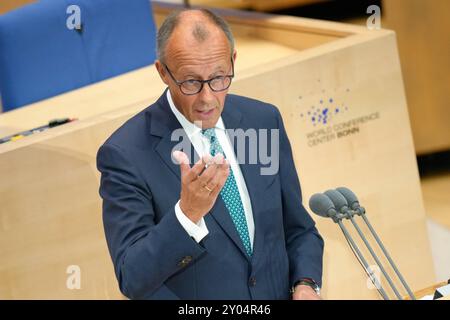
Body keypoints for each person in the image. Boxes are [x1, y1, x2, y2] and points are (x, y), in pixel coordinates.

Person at [97, 8, 324, 300]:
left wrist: (306, 284)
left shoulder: (264, 120)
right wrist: (187, 214)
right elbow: (133, 278)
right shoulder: (125, 155)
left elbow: (299, 229)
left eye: (219, 78)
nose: (207, 98)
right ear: (163, 72)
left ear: (233, 61)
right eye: (191, 82)